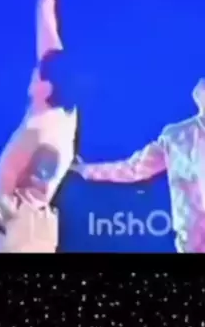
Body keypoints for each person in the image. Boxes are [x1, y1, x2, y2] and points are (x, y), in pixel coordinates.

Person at [0, 0, 78, 252]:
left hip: (21, 232)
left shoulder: (37, 131)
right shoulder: (66, 114)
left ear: (46, 86)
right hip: (41, 224)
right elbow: (50, 50)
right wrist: (45, 0)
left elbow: (4, 185)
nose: (32, 74)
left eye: (37, 74)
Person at [73, 79, 205, 253]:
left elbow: (134, 169)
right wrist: (87, 170)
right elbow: (134, 169)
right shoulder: (176, 137)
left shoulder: (177, 137)